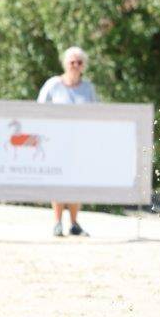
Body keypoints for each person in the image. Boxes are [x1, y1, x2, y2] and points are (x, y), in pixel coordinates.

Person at [38, 45, 98, 237]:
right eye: (72, 62)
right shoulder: (53, 85)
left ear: (83, 66)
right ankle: (57, 222)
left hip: (80, 143)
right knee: (58, 180)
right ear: (65, 63)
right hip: (56, 142)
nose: (75, 65)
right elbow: (39, 110)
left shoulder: (88, 88)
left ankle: (74, 223)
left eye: (79, 62)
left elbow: (97, 113)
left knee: (76, 181)